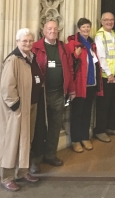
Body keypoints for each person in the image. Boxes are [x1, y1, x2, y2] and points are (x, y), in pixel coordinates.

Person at [0, 29, 43, 192]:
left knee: (25, 141)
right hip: (16, 110)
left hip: (30, 105)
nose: (28, 43)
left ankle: (22, 172)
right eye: (24, 41)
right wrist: (15, 105)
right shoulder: (13, 60)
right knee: (11, 143)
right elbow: (6, 87)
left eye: (30, 41)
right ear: (17, 42)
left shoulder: (31, 57)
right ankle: (7, 177)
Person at [31, 21, 75, 172]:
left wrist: (71, 89)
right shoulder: (35, 47)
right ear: (44, 31)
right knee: (38, 127)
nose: (53, 31)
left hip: (58, 93)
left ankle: (50, 155)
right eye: (49, 29)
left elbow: (69, 68)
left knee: (55, 126)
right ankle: (35, 159)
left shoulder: (63, 47)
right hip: (42, 94)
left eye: (55, 29)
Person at [66, 18, 103, 153]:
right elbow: (69, 62)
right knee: (77, 113)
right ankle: (76, 140)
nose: (86, 29)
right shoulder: (73, 43)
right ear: (79, 28)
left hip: (91, 84)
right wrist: (75, 56)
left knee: (87, 112)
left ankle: (85, 137)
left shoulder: (91, 43)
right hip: (79, 84)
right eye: (83, 27)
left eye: (88, 27)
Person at [94, 12, 115, 143]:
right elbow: (101, 57)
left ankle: (111, 126)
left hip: (114, 74)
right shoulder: (99, 36)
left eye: (112, 19)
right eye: (107, 20)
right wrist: (109, 73)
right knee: (103, 104)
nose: (110, 22)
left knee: (112, 102)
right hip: (105, 75)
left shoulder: (114, 34)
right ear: (101, 21)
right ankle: (100, 130)